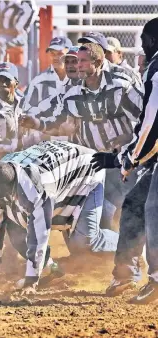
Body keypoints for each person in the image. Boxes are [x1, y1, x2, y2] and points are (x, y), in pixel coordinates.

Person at [21, 43, 143, 230]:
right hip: (92, 163)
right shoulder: (72, 93)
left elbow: (144, 120)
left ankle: (132, 255)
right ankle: (103, 255)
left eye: (83, 61)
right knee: (96, 216)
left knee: (130, 209)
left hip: (120, 161)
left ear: (99, 62)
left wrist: (129, 150)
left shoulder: (120, 85)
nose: (78, 65)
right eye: (77, 61)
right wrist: (36, 123)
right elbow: (57, 123)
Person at [0, 141, 118, 295]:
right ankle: (51, 270)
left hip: (88, 171)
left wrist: (31, 282)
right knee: (15, 223)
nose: (0, 202)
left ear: (13, 186)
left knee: (84, 242)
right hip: (60, 171)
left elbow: (39, 234)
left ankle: (130, 246)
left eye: (5, 197)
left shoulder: (38, 187)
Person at [92, 17, 158, 304]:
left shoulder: (156, 69)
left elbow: (151, 122)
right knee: (136, 204)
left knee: (153, 212)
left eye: (144, 39)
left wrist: (131, 158)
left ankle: (155, 281)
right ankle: (125, 274)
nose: (141, 45)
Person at [20, 36, 72, 147]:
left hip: (74, 140)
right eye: (52, 54)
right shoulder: (38, 81)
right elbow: (26, 113)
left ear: (70, 53)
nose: (55, 57)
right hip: (45, 141)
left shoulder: (80, 79)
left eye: (59, 53)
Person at [0, 0, 37, 79]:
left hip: (18, 37)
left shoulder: (28, 5)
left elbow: (17, 31)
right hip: (2, 33)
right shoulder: (4, 2)